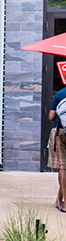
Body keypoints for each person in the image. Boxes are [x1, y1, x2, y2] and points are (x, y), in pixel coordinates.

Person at [49, 81, 66, 213]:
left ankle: (61, 201)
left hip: (60, 132)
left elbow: (51, 116)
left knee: (63, 168)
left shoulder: (60, 94)